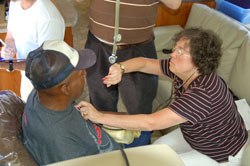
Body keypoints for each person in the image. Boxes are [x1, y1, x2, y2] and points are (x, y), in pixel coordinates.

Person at [76, 28, 249, 165]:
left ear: (199, 60)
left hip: (223, 155)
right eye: (175, 49)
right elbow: (144, 63)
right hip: (197, 138)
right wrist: (120, 68)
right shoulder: (186, 71)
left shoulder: (203, 94)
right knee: (156, 149)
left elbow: (152, 122)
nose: (173, 54)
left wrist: (98, 116)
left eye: (180, 52)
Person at [77, 0, 181, 147]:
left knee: (140, 107)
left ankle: (138, 153)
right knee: (100, 102)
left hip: (138, 49)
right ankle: (103, 149)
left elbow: (174, 4)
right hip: (98, 44)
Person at [22, 40, 120, 165]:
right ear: (65, 88)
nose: (85, 73)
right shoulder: (62, 144)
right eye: (81, 73)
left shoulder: (41, 93)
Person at [0, 0, 65, 101]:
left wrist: (10, 65)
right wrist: (9, 48)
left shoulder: (47, 17)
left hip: (46, 85)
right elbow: (10, 35)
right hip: (27, 78)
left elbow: (44, 64)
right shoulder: (15, 4)